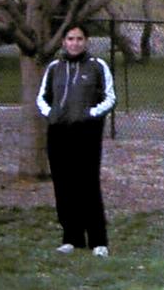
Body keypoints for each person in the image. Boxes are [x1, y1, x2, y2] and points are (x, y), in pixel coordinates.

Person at [36, 25, 116, 257]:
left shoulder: (97, 67)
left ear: (86, 41)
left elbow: (110, 98)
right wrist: (52, 114)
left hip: (87, 134)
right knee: (63, 185)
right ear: (63, 42)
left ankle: (98, 241)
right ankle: (72, 238)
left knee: (88, 185)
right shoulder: (54, 68)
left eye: (79, 39)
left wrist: (89, 114)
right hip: (59, 133)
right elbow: (42, 97)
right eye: (70, 38)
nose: (75, 43)